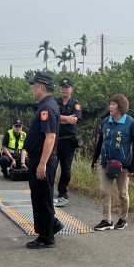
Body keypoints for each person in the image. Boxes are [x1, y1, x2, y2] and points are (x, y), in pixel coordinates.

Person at [91, 94, 134, 231]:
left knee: (123, 194)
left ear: (121, 106)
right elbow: (100, 142)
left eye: (113, 104)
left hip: (123, 166)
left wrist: (131, 167)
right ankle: (107, 220)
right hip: (106, 164)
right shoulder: (106, 121)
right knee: (104, 191)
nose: (110, 107)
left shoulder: (131, 123)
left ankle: (123, 218)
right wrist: (94, 160)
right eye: (110, 104)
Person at [25, 71, 63, 248]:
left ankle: (46, 237)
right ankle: (51, 224)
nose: (33, 90)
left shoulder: (47, 107)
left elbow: (50, 137)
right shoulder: (47, 105)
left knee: (42, 197)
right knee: (40, 196)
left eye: (34, 87)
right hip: (39, 158)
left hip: (43, 159)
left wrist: (42, 163)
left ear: (41, 87)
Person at [53, 78, 82, 207]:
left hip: (69, 142)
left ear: (72, 90)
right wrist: (66, 118)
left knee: (66, 169)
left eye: (67, 87)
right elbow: (52, 117)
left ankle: (62, 192)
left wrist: (60, 119)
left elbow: (74, 120)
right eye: (62, 87)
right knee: (52, 166)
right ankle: (48, 190)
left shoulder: (76, 104)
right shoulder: (55, 102)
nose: (64, 89)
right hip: (55, 140)